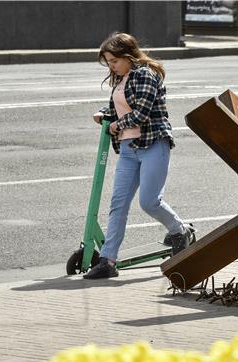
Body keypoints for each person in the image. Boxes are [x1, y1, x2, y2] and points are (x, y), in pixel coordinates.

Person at [83, 32, 192, 280]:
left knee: (149, 201)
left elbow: (141, 112)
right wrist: (104, 114)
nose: (111, 67)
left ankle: (179, 230)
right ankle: (107, 260)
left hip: (153, 143)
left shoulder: (145, 74)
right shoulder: (122, 79)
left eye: (114, 61)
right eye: (108, 62)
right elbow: (118, 106)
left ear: (129, 56)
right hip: (129, 148)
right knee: (118, 204)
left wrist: (116, 126)